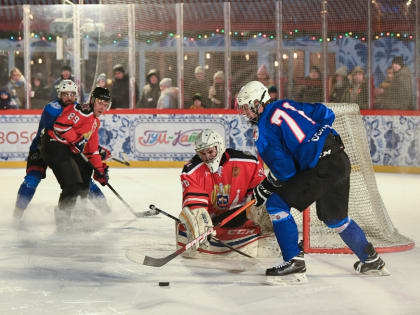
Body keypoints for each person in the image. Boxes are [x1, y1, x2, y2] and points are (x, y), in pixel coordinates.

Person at [236, 81, 389, 284]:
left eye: (247, 107)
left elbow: (286, 171)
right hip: (339, 159)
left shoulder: (264, 131)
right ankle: (371, 260)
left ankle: (294, 264)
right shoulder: (285, 105)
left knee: (276, 204)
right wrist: (316, 139)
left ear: (259, 102)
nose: (245, 112)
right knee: (334, 217)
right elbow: (325, 113)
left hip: (321, 167)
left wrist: (265, 187)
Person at [13, 82, 111, 221]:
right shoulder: (53, 108)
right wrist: (84, 143)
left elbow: (84, 137)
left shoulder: (78, 109)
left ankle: (102, 210)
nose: (69, 97)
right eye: (65, 94)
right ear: (59, 94)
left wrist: (97, 160)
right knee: (32, 180)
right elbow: (55, 130)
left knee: (84, 179)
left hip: (65, 147)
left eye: (72, 94)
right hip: (42, 147)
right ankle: (17, 215)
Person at [176, 129, 276, 258]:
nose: (207, 157)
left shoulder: (248, 162)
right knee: (195, 215)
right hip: (212, 222)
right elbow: (195, 204)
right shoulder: (191, 170)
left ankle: (271, 235)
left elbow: (259, 193)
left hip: (241, 215)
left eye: (210, 151)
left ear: (220, 147)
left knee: (265, 205)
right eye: (202, 153)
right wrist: (201, 221)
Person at [40, 86, 111, 231]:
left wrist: (99, 170)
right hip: (53, 145)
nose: (102, 108)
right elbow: (60, 126)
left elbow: (92, 151)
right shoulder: (83, 111)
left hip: (66, 148)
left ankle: (79, 208)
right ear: (92, 101)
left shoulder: (95, 122)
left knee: (87, 169)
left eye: (105, 105)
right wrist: (77, 139)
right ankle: (62, 217)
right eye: (100, 103)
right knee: (72, 185)